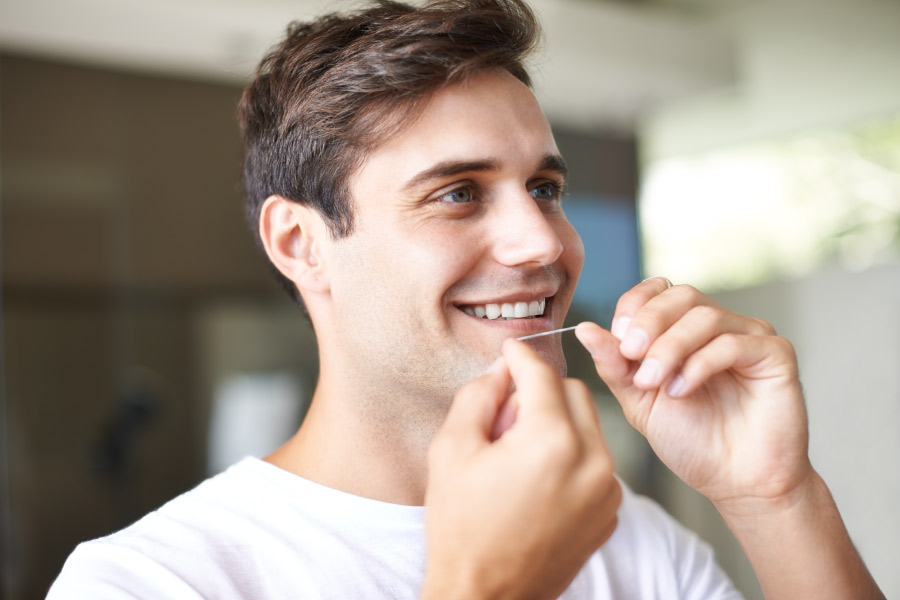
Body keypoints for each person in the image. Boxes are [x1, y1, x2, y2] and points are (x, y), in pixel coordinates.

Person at [48, 1, 885, 598]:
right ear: (301, 245)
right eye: (457, 193)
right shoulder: (150, 581)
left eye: (545, 187)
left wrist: (775, 498)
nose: (545, 244)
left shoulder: (626, 536)